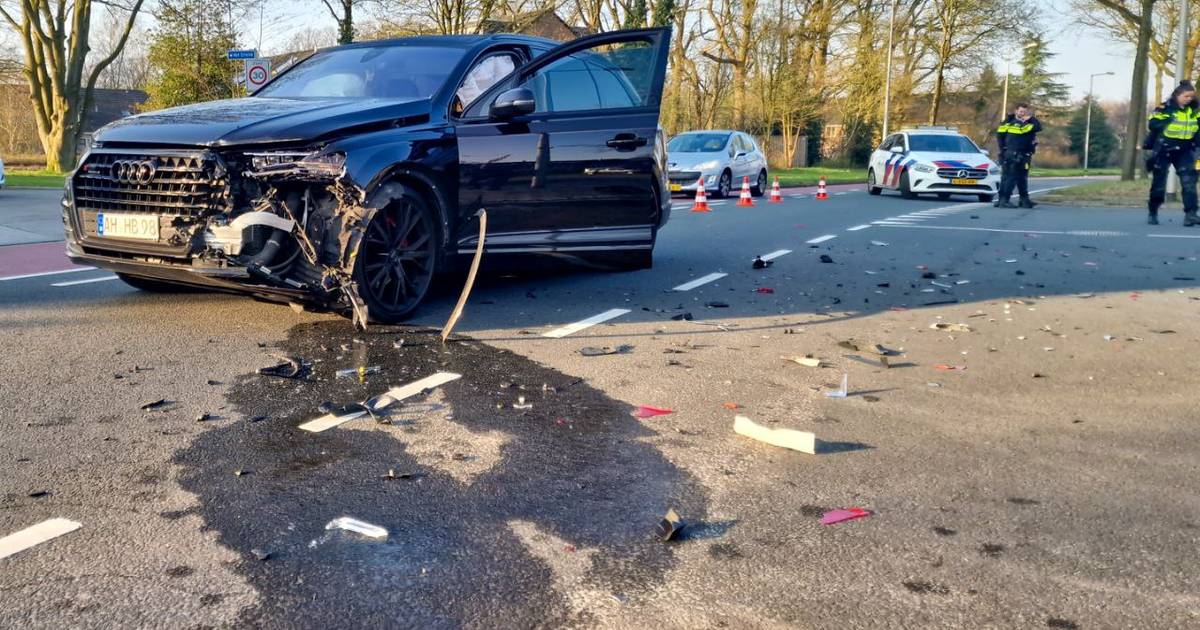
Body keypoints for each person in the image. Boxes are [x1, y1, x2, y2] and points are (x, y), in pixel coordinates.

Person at [1145, 81, 1199, 226]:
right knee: (1159, 183)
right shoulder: (1165, 108)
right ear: (1177, 95)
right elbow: (1152, 123)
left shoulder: (1195, 110)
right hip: (1165, 148)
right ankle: (1153, 212)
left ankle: (1191, 214)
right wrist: (1167, 119)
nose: (1189, 99)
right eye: (1186, 96)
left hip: (1185, 150)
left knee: (1189, 182)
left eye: (1191, 96)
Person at [994, 103, 1043, 208]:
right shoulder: (1022, 125)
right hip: (1018, 154)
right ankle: (1005, 200)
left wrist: (1003, 150)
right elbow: (1038, 127)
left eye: (1025, 112)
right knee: (1012, 177)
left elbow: (1000, 136)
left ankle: (1022, 200)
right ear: (1016, 111)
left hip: (1011, 153)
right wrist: (1031, 118)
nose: (1023, 114)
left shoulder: (1008, 122)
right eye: (1021, 111)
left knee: (1018, 177)